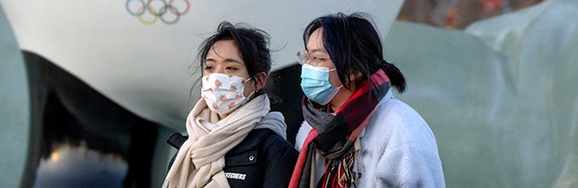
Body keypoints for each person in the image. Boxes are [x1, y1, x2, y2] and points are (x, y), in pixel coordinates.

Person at [290, 13, 444, 188]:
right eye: (306, 57)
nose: (307, 66)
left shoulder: (401, 128)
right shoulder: (311, 128)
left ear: (354, 69)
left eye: (317, 58)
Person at [164, 21, 299, 188]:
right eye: (209, 67)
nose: (216, 77)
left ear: (258, 81)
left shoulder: (275, 152)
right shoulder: (190, 148)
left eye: (230, 68)